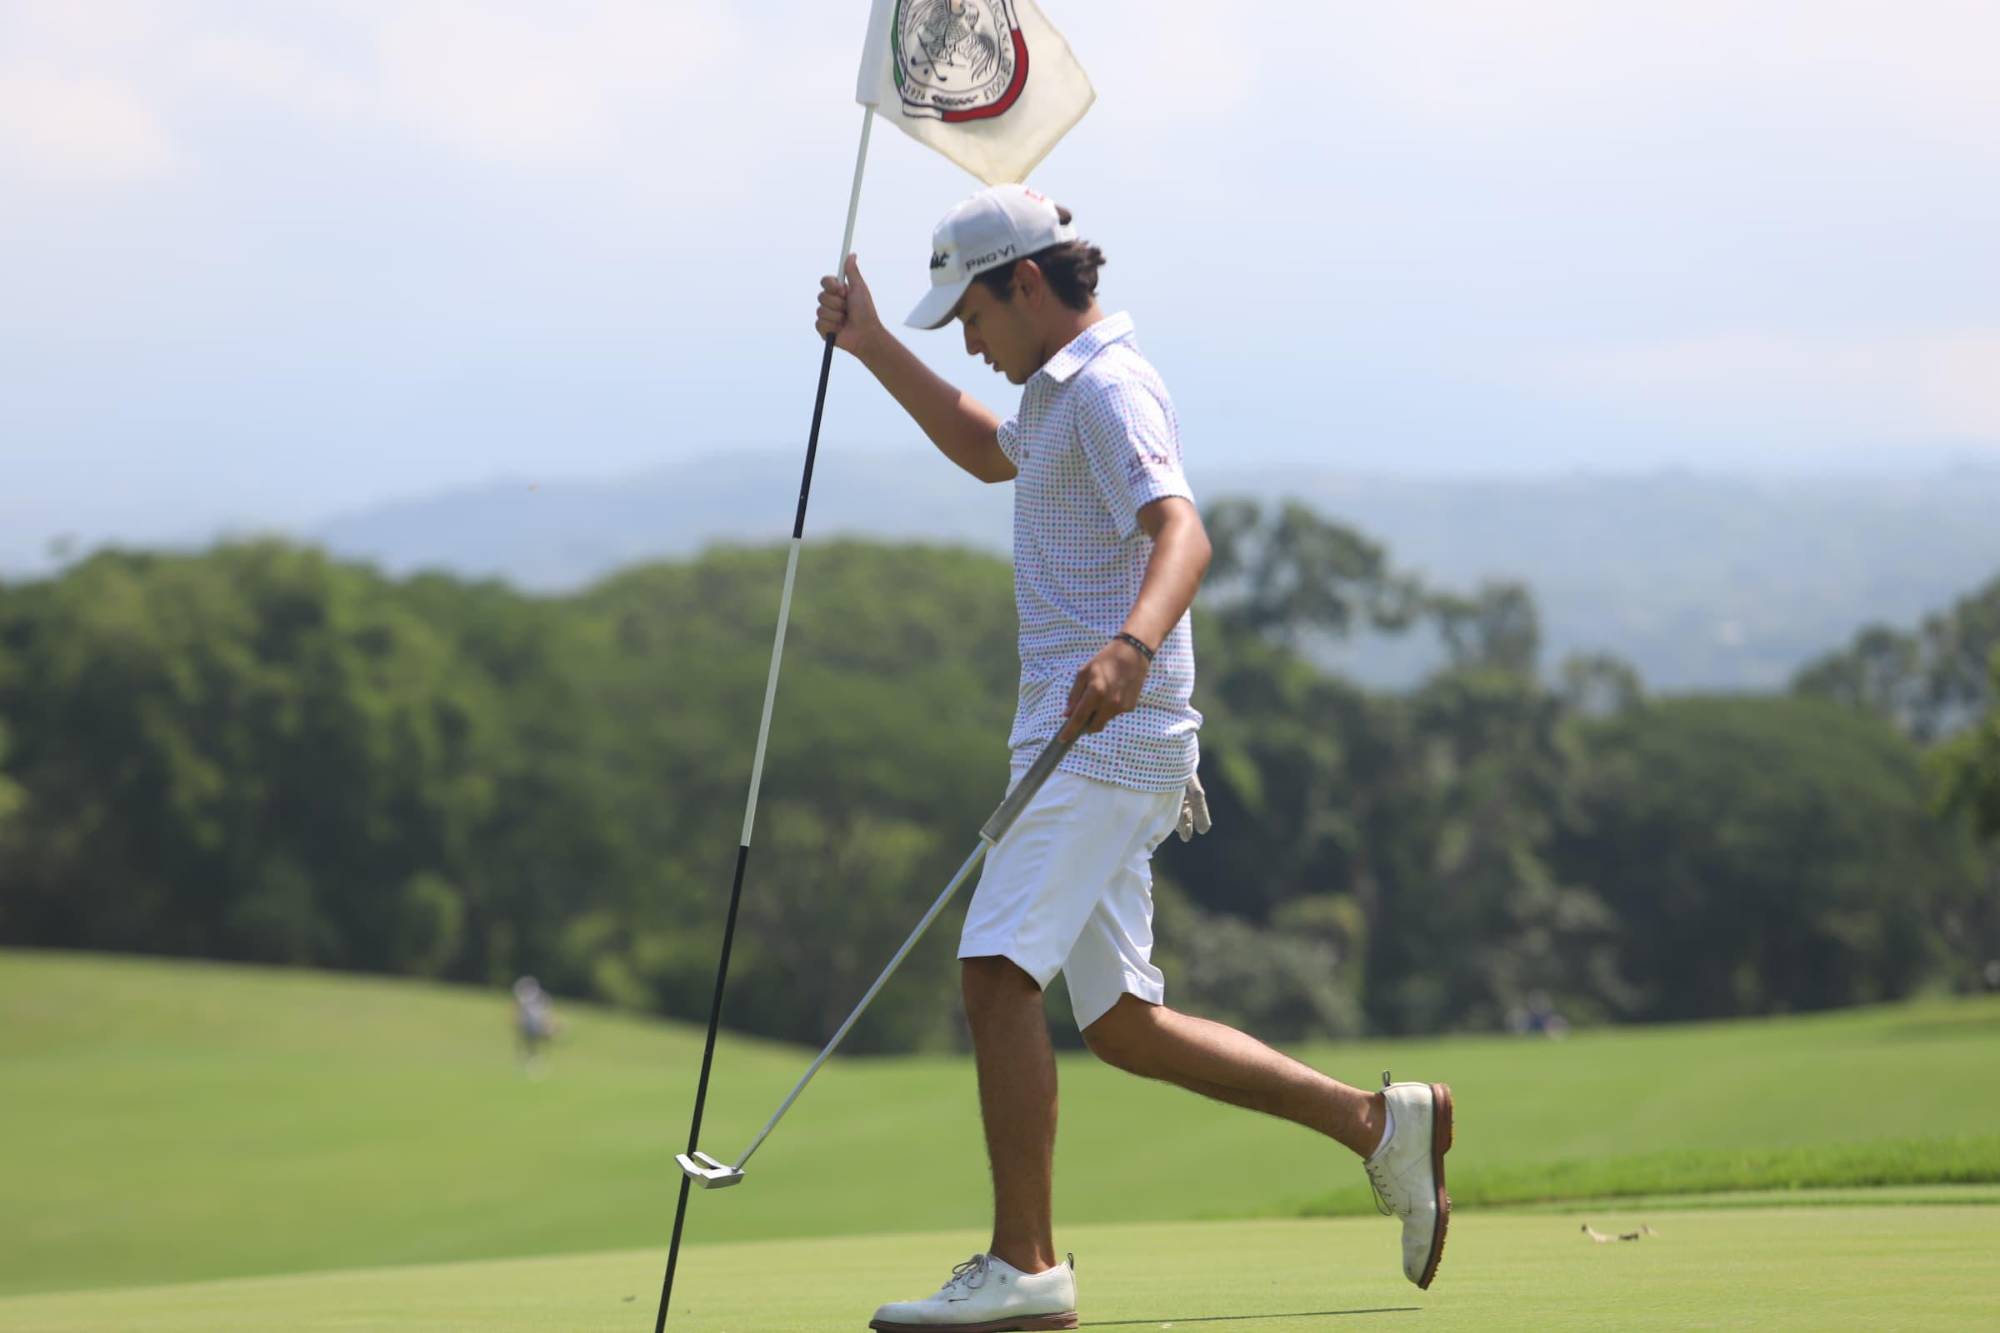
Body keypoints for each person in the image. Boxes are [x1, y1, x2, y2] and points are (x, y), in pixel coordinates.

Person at [816, 185, 1454, 1332]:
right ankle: (1378, 1125)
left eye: (968, 310)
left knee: (993, 974)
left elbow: (1184, 531)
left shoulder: (1108, 387)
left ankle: (1026, 1267)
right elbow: (984, 451)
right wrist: (865, 346)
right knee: (1121, 1025)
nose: (964, 336)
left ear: (1022, 281)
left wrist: (1127, 647)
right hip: (1084, 740)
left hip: (1108, 741)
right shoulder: (1054, 395)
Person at [512, 975, 558, 1073]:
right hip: (529, 1026)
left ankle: (533, 1058)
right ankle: (530, 1058)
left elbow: (546, 1014)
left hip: (534, 1026)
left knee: (533, 1043)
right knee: (530, 1043)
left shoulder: (539, 999)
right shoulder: (526, 999)